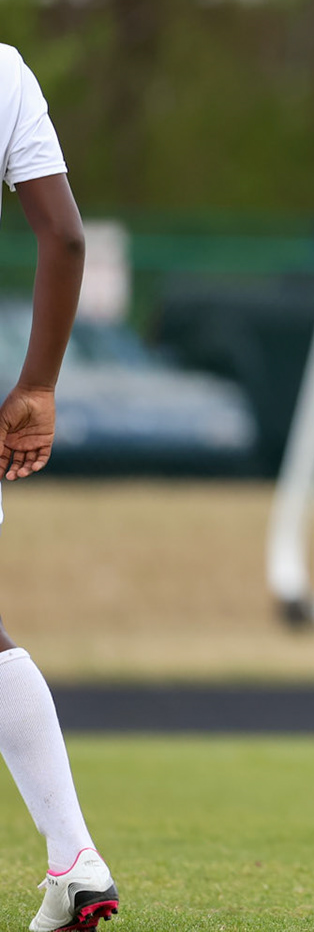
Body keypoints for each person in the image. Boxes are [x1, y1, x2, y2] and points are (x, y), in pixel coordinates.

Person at [0, 46, 119, 932]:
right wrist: (37, 386)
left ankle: (75, 854)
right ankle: (73, 856)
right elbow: (66, 236)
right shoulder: (5, 69)